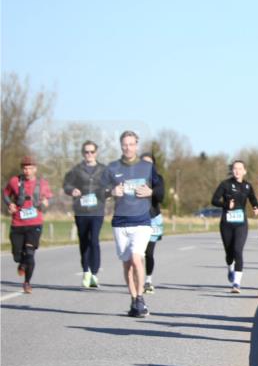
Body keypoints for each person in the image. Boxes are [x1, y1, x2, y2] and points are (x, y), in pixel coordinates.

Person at [100, 131, 156, 317]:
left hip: (141, 221)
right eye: (125, 144)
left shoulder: (147, 166)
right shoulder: (112, 167)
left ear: (137, 146)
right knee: (127, 264)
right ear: (121, 146)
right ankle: (133, 300)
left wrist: (151, 192)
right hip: (120, 222)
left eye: (131, 144)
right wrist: (111, 191)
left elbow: (160, 188)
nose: (128, 148)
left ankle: (140, 297)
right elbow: (100, 192)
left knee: (135, 257)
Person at [62, 140, 109, 288]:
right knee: (84, 241)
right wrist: (72, 190)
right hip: (81, 211)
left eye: (92, 152)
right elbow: (66, 184)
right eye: (86, 152)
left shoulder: (103, 169)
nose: (89, 154)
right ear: (83, 153)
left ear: (96, 153)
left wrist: (107, 192)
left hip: (97, 210)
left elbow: (110, 185)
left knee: (94, 239)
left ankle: (94, 273)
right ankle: (86, 271)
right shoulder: (76, 170)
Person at [4, 155, 53, 293]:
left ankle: (27, 283)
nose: (27, 171)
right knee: (17, 256)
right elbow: (5, 194)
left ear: (35, 169)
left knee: (30, 253)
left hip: (34, 224)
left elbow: (48, 198)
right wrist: (10, 204)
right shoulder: (14, 181)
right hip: (17, 223)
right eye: (25, 168)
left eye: (30, 168)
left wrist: (46, 202)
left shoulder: (42, 183)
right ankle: (21, 262)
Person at [211, 161, 258, 294]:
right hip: (226, 224)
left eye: (239, 169)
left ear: (244, 171)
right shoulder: (225, 184)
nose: (237, 171)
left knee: (238, 250)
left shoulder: (247, 186)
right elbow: (214, 200)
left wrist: (256, 207)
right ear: (232, 171)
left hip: (241, 224)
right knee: (229, 253)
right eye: (234, 169)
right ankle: (229, 267)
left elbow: (253, 199)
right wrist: (226, 204)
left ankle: (236, 283)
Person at [140, 153, 165, 294]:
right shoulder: (134, 178)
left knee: (149, 252)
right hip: (136, 219)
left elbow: (161, 196)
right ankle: (137, 279)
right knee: (137, 253)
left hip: (153, 218)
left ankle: (148, 280)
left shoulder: (158, 179)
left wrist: (152, 192)